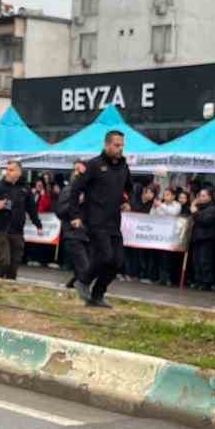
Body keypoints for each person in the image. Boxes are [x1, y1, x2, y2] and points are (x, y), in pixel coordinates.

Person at [69, 131, 134, 308]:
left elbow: (129, 188)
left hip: (114, 221)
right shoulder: (94, 165)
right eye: (116, 145)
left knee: (117, 262)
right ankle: (82, 281)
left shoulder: (123, 166)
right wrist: (75, 215)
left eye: (122, 145)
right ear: (107, 145)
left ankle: (97, 295)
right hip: (95, 220)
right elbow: (76, 190)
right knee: (106, 257)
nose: (120, 149)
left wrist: (127, 201)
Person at [0, 160, 41, 280]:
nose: (7, 172)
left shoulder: (25, 189)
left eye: (11, 170)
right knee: (4, 261)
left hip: (18, 231)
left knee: (14, 265)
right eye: (7, 169)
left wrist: (38, 225)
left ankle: (9, 288)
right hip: (1, 229)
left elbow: (31, 209)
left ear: (19, 172)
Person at [58, 160, 90, 290]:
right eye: (75, 170)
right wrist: (76, 201)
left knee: (86, 268)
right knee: (85, 267)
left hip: (88, 235)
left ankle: (70, 288)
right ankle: (84, 294)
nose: (77, 173)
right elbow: (60, 211)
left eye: (80, 171)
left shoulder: (90, 191)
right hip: (73, 234)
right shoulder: (69, 190)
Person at [189, 186, 215, 292]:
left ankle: (206, 282)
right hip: (197, 237)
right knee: (196, 260)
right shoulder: (199, 207)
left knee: (205, 261)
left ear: (210, 197)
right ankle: (198, 280)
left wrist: (195, 212)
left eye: (203, 196)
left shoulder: (213, 208)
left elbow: (206, 221)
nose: (201, 198)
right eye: (200, 196)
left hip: (207, 238)